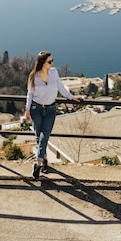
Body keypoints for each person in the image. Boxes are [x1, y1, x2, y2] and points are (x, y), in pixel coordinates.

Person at [25, 51, 82, 179]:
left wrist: (72, 97)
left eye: (52, 61)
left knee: (44, 137)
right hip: (36, 109)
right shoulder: (33, 76)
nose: (52, 63)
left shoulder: (54, 72)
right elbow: (30, 94)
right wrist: (27, 109)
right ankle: (44, 159)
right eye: (49, 61)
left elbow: (60, 87)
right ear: (42, 63)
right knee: (38, 137)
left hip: (50, 110)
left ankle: (38, 164)